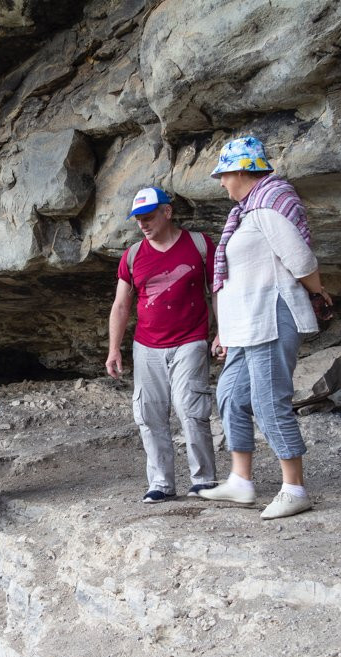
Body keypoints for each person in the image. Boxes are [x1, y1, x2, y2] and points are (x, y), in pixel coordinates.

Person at [199, 136, 333, 520]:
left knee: (268, 400)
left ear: (242, 170)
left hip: (270, 317)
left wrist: (318, 292)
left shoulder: (269, 206)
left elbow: (301, 259)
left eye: (224, 175)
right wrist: (225, 329)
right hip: (246, 324)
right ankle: (241, 481)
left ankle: (295, 488)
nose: (221, 182)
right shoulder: (246, 211)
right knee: (230, 393)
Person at [105, 186, 218, 503]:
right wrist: (115, 348)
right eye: (138, 218)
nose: (142, 223)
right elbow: (121, 305)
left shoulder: (198, 245)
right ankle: (161, 483)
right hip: (147, 345)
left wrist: (222, 332)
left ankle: (204, 480)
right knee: (149, 413)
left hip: (191, 339)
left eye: (149, 216)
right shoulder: (133, 255)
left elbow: (217, 290)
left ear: (167, 212)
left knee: (189, 406)